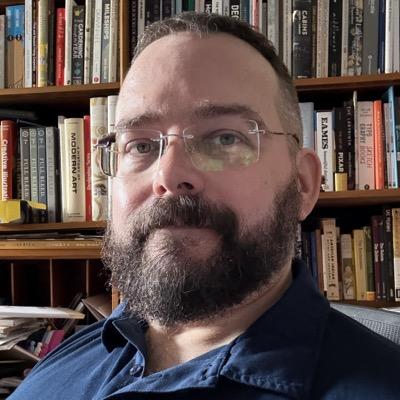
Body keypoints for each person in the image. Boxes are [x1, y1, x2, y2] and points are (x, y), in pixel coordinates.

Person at [9, 12, 400, 400]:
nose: (168, 175)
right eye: (140, 145)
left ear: (302, 184)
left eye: (224, 139)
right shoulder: (65, 359)